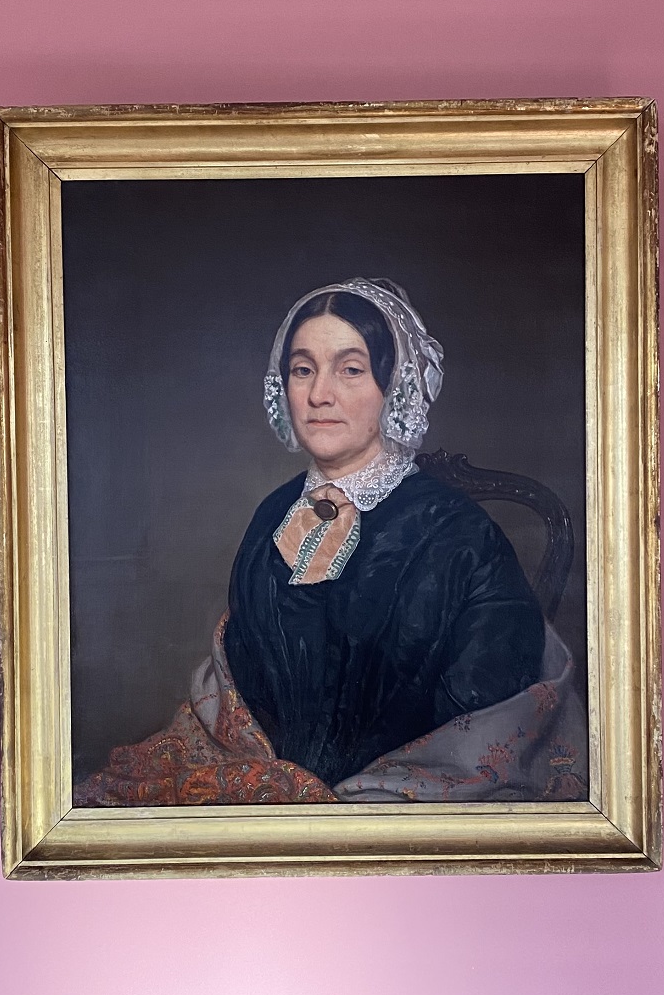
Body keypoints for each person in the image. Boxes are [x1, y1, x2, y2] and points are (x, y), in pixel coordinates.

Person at [74, 278, 587, 807]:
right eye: (303, 370)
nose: (320, 394)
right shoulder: (273, 515)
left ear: (394, 386)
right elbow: (246, 684)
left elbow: (481, 712)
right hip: (272, 789)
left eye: (350, 369)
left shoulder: (462, 536)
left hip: (405, 802)